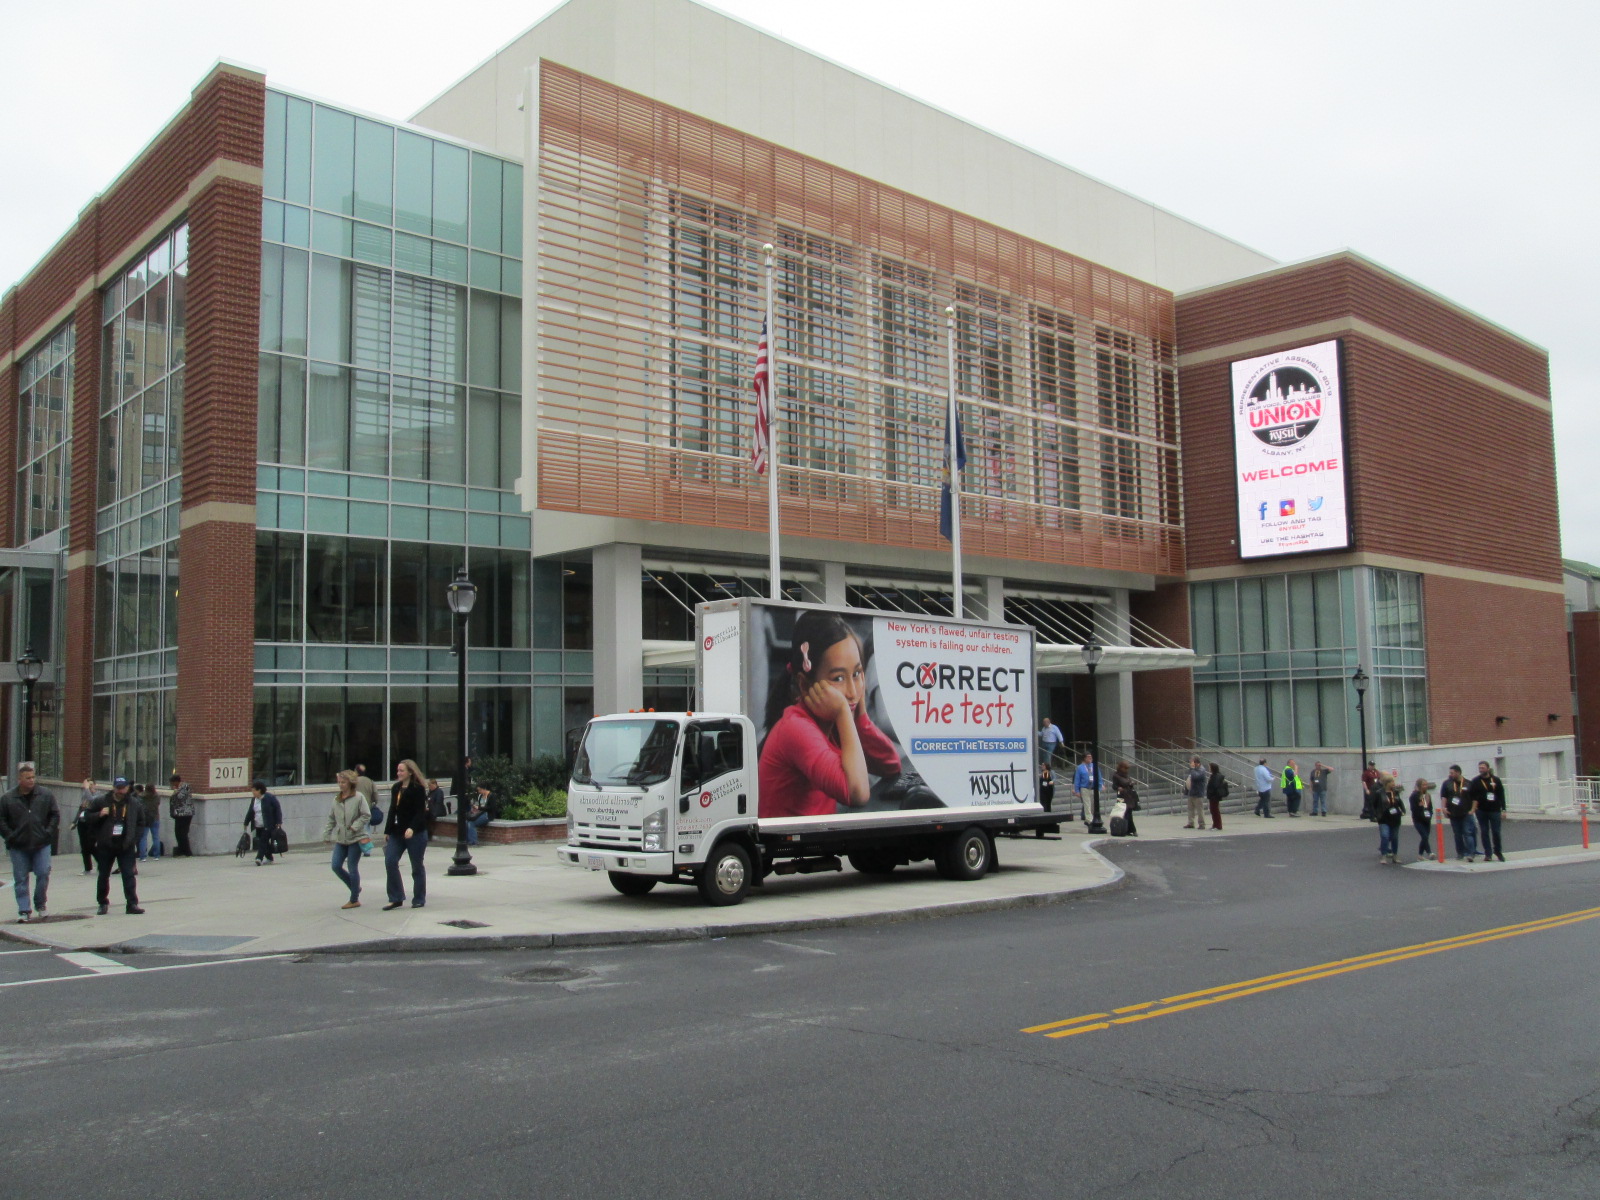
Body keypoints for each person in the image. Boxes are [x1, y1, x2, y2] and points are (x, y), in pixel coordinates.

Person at [757, 610, 901, 819]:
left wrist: (859, 718)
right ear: (805, 685)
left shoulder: (828, 721)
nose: (852, 692)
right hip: (791, 848)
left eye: (857, 673)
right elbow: (858, 793)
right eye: (838, 678)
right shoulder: (796, 728)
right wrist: (844, 714)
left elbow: (890, 765)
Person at [0, 762, 60, 923]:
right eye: (28, 778)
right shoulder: (8, 798)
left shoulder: (45, 795)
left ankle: (40, 903)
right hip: (18, 845)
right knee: (20, 878)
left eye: (33, 777)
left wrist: (48, 833)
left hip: (41, 843)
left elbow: (54, 815)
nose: (31, 780)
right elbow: (2, 820)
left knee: (43, 872)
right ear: (20, 779)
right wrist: (10, 836)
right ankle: (24, 909)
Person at [86, 777, 144, 914]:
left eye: (123, 788)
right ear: (113, 788)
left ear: (127, 788)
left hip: (125, 845)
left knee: (128, 875)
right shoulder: (101, 801)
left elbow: (141, 822)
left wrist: (134, 839)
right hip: (106, 845)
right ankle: (102, 902)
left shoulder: (134, 803)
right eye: (118, 787)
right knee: (103, 875)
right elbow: (86, 816)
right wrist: (99, 814)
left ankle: (132, 904)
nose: (120, 790)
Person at [384, 759, 431, 910]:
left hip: (415, 833)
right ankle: (396, 897)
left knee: (416, 866)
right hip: (397, 832)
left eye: (401, 771)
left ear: (410, 772)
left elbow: (420, 811)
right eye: (397, 770)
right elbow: (392, 809)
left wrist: (412, 828)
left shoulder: (417, 789)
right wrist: (387, 829)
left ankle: (419, 898)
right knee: (390, 861)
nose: (398, 773)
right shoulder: (396, 788)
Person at [324, 770, 371, 909]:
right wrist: (327, 834)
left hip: (356, 838)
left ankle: (354, 898)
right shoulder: (336, 799)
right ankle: (355, 886)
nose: (341, 785)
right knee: (336, 865)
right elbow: (331, 818)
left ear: (350, 783)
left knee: (352, 867)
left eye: (343, 782)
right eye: (339, 782)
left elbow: (366, 815)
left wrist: (355, 827)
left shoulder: (358, 797)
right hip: (341, 838)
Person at [1466, 760, 1507, 863]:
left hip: (1495, 810)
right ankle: (1488, 853)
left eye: (1483, 768)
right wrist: (1473, 808)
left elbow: (1501, 794)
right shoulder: (1476, 781)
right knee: (1484, 832)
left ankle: (1498, 852)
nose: (1481, 770)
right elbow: (1472, 795)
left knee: (1496, 832)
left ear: (1488, 769)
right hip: (1481, 811)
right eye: (1480, 768)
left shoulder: (1496, 780)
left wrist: (1504, 809)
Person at [1440, 764, 1477, 862]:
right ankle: (1460, 853)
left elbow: (1474, 798)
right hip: (1453, 813)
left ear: (1458, 772)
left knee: (1467, 833)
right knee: (1457, 834)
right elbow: (1444, 797)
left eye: (1452, 773)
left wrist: (1472, 810)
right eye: (1450, 773)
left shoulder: (1468, 783)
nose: (1451, 775)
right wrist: (1443, 808)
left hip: (1466, 812)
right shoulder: (1447, 784)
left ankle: (1471, 853)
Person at [245, 780, 284, 866]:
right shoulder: (254, 800)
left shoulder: (269, 798)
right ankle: (269, 857)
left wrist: (279, 821)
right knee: (263, 842)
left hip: (268, 824)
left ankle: (259, 858)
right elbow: (251, 812)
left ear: (259, 790)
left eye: (254, 790)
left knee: (263, 840)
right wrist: (246, 822)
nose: (253, 792)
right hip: (258, 825)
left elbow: (277, 809)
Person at [1376, 777, 1405, 864]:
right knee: (1385, 836)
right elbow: (1374, 804)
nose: (1393, 784)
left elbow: (1399, 802)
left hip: (1395, 818)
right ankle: (1384, 855)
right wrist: (1376, 815)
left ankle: (1395, 855)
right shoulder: (1379, 793)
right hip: (1384, 819)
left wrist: (1403, 810)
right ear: (1387, 783)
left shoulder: (1395, 792)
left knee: (1394, 837)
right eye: (1392, 782)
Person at [168, 773, 195, 856]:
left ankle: (187, 851)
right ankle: (181, 849)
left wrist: (175, 792)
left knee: (183, 833)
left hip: (185, 813)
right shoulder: (179, 788)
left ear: (176, 781)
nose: (172, 785)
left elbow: (180, 797)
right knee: (177, 832)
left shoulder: (185, 787)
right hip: (178, 814)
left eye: (173, 783)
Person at [1110, 760, 1139, 837]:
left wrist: (1131, 784)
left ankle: (1129, 829)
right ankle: (1131, 829)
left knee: (1128, 813)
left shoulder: (1126, 775)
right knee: (1125, 813)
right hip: (1122, 796)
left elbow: (1128, 784)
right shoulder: (1116, 776)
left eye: (1127, 768)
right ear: (1121, 768)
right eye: (1125, 768)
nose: (1126, 770)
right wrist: (1119, 788)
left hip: (1129, 796)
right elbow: (1114, 786)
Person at [75, 781, 98, 874]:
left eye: (91, 784)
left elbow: (92, 800)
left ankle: (102, 862)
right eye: (88, 784)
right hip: (82, 823)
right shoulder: (85, 796)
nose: (89, 786)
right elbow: (80, 810)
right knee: (84, 847)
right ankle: (87, 868)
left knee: (91, 846)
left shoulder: (98, 796)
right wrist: (74, 821)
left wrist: (87, 789)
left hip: (91, 824)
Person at [1409, 778, 1435, 859]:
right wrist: (1420, 806)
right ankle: (1429, 852)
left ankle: (1420, 854)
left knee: (1426, 836)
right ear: (1419, 786)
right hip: (1418, 819)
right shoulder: (1414, 796)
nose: (1425, 786)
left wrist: (1430, 814)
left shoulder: (1427, 795)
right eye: (1423, 785)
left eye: (1426, 785)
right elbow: (1414, 809)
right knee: (1424, 836)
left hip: (1427, 819)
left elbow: (1430, 807)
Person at [465, 780, 496, 846]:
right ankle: (468, 840)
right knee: (467, 822)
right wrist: (475, 807)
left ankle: (473, 842)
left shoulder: (491, 796)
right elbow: (479, 806)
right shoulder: (480, 796)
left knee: (471, 823)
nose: (479, 792)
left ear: (484, 789)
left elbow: (491, 808)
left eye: (480, 790)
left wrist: (479, 808)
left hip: (487, 815)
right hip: (479, 813)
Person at [137, 783, 162, 860]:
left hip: (144, 818)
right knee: (156, 837)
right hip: (155, 817)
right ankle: (156, 855)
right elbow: (157, 804)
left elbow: (139, 806)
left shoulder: (141, 796)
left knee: (143, 837)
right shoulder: (157, 796)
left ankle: (143, 856)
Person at [1073, 753, 1099, 824]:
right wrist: (1077, 790)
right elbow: (1077, 779)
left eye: (1091, 757)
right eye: (1088, 757)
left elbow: (1098, 776)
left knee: (1093, 804)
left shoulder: (1094, 766)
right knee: (1087, 804)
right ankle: (1089, 819)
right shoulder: (1080, 767)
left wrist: (1100, 784)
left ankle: (1094, 817)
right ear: (1084, 758)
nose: (1090, 758)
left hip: (1094, 788)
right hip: (1085, 788)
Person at [1183, 756, 1206, 829]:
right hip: (1191, 792)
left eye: (1192, 762)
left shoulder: (1201, 770)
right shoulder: (1193, 770)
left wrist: (1192, 769)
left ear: (1196, 762)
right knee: (1190, 809)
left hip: (1198, 793)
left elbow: (1196, 777)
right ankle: (1190, 823)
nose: (1190, 764)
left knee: (1199, 809)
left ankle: (1202, 824)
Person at [1205, 762, 1228, 830]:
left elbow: (1214, 786)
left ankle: (1218, 825)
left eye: (1210, 767)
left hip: (1214, 796)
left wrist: (1210, 792)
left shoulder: (1215, 776)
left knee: (1215, 811)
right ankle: (1215, 824)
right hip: (1213, 796)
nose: (1209, 769)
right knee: (1213, 810)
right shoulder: (1214, 775)